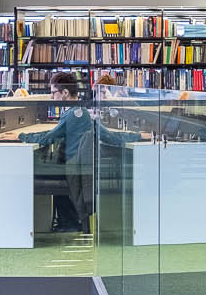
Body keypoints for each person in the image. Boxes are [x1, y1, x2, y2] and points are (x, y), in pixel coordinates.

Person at [23, 72, 131, 232]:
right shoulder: (80, 111)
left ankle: (67, 223)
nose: (51, 97)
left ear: (65, 92)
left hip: (71, 168)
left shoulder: (72, 114)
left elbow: (47, 138)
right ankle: (66, 220)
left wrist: (21, 136)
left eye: (53, 93)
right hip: (76, 166)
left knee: (33, 172)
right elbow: (109, 136)